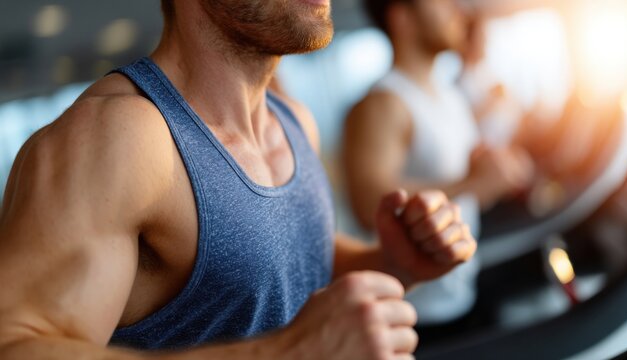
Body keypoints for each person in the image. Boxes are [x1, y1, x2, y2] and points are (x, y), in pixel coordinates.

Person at [0, 0, 477, 359]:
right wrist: (285, 353)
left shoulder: (292, 121)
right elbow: (16, 344)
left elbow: (276, 268)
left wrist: (391, 262)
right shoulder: (119, 138)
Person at [343, 0, 533, 325]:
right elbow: (368, 205)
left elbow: (465, 166)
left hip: (460, 293)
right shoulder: (383, 102)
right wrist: (473, 185)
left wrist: (492, 165)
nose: (457, 10)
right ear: (403, 18)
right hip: (414, 316)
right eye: (442, 3)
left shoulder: (449, 96)